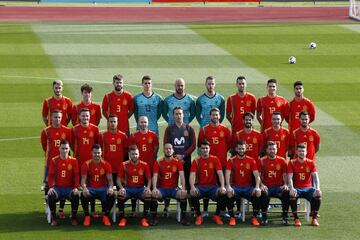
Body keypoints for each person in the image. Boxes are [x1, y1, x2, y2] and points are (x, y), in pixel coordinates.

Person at [197, 108, 231, 216]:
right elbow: (200, 144)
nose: (215, 117)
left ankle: (222, 210)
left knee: (223, 186)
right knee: (207, 183)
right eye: (213, 115)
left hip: (222, 163)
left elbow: (229, 144)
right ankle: (205, 210)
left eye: (217, 115)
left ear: (220, 116)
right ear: (210, 116)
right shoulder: (204, 130)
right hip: (208, 163)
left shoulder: (225, 130)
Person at [163, 106, 196, 216]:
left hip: (186, 161)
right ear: (173, 115)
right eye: (176, 114)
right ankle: (166, 208)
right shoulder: (169, 128)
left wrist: (184, 155)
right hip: (172, 161)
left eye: (180, 113)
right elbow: (166, 144)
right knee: (169, 183)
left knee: (187, 184)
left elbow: (193, 145)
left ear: (183, 115)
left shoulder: (189, 128)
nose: (178, 115)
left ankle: (191, 207)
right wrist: (175, 157)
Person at [232, 112, 263, 217]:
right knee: (239, 185)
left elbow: (261, 151)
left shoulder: (258, 135)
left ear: (252, 121)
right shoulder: (238, 134)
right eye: (246, 120)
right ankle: (239, 210)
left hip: (254, 166)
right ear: (243, 121)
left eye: (250, 120)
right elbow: (235, 150)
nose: (248, 121)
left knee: (256, 188)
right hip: (240, 165)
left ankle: (256, 210)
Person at [189, 140, 227, 225]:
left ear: (209, 149)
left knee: (223, 193)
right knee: (192, 194)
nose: (205, 150)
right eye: (203, 148)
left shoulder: (215, 159)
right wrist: (192, 187)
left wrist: (222, 186)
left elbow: (220, 173)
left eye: (206, 148)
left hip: (213, 187)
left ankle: (217, 215)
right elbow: (192, 175)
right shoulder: (196, 161)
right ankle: (199, 216)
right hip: (200, 187)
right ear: (200, 150)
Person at [151, 143, 189, 226]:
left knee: (183, 194)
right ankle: (154, 219)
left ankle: (183, 218)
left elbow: (182, 176)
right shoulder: (158, 162)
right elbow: (155, 176)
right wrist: (154, 188)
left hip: (173, 189)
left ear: (173, 150)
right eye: (166, 149)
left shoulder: (177, 162)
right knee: (154, 194)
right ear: (163, 150)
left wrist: (183, 188)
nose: (168, 150)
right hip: (162, 189)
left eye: (170, 149)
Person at [225, 140, 261, 226]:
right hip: (236, 187)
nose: (241, 150)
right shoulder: (231, 160)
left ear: (246, 149)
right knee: (228, 193)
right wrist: (228, 186)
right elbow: (227, 174)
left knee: (258, 193)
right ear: (236, 149)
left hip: (248, 187)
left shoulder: (251, 160)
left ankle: (254, 217)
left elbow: (257, 175)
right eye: (239, 149)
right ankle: (232, 217)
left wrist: (257, 187)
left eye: (243, 149)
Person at [72, 108, 100, 217]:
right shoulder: (74, 129)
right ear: (79, 117)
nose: (85, 118)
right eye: (83, 116)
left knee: (91, 186)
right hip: (79, 163)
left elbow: (97, 144)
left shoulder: (95, 129)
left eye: (87, 116)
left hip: (91, 164)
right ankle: (83, 211)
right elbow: (71, 144)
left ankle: (92, 210)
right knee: (80, 187)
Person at [116, 146, 152, 227]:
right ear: (129, 154)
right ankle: (122, 218)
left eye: (136, 154)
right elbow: (118, 179)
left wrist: (148, 188)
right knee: (121, 194)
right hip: (128, 188)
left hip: (140, 188)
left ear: (139, 154)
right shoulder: (124, 164)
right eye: (132, 154)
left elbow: (149, 179)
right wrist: (121, 188)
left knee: (148, 194)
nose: (134, 156)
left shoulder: (144, 165)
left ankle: (144, 218)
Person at [80, 144, 115, 226]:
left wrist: (110, 188)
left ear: (101, 153)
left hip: (102, 189)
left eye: (98, 153)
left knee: (112, 195)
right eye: (95, 153)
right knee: (83, 194)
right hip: (91, 189)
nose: (97, 155)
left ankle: (106, 216)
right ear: (91, 153)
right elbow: (83, 180)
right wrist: (84, 188)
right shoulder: (86, 164)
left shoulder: (106, 164)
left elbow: (110, 180)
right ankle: (87, 216)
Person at [287, 144, 321, 227]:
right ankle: (296, 219)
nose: (301, 153)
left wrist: (318, 188)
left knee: (318, 194)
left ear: (306, 152)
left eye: (303, 151)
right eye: (299, 151)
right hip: (297, 188)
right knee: (292, 194)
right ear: (296, 152)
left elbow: (316, 177)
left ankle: (314, 218)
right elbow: (290, 178)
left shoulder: (310, 162)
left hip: (308, 188)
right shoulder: (292, 162)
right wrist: (291, 188)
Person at [47, 140, 79, 226]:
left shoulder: (74, 161)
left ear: (69, 149)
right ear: (59, 148)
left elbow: (76, 175)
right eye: (62, 148)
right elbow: (50, 175)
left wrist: (76, 187)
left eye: (66, 148)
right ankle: (53, 218)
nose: (64, 150)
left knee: (76, 195)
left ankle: (73, 218)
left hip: (69, 188)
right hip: (58, 188)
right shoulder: (54, 160)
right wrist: (51, 187)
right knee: (51, 195)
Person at [259, 141, 289, 225]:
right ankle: (264, 217)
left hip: (278, 187)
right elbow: (259, 175)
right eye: (270, 149)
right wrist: (261, 185)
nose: (272, 151)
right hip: (267, 187)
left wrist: (285, 185)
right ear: (267, 150)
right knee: (263, 193)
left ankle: (284, 216)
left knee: (286, 192)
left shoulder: (282, 161)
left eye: (273, 149)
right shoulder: (262, 161)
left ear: (277, 150)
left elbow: (285, 175)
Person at [40, 110, 72, 185]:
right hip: (50, 161)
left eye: (59, 117)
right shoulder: (45, 131)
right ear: (51, 118)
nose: (57, 119)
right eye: (55, 117)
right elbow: (44, 146)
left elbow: (69, 145)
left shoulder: (67, 131)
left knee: (65, 182)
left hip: (64, 161)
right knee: (48, 184)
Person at [98, 114, 128, 186]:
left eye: (114, 121)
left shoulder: (123, 136)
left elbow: (126, 152)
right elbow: (99, 151)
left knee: (121, 191)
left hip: (119, 168)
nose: (112, 123)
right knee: (108, 191)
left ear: (117, 122)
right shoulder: (102, 135)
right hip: (106, 168)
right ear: (108, 122)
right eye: (111, 122)